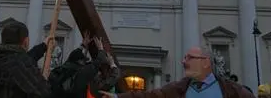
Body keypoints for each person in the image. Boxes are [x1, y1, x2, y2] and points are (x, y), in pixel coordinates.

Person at [100, 46, 254, 98]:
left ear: (206, 62)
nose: (183, 61)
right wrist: (117, 97)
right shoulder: (179, 88)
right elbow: (149, 96)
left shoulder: (232, 91)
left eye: (190, 58)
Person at [0, 20, 52, 98]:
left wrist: (43, 46)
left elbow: (21, 61)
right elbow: (45, 93)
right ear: (26, 41)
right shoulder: (19, 63)